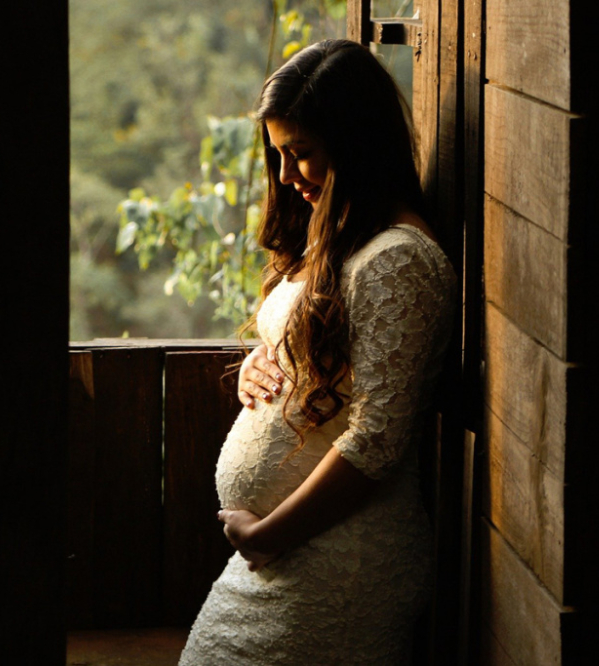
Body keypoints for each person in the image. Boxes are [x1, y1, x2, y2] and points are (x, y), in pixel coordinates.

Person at [178, 39, 456, 665]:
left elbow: (377, 439)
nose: (285, 176)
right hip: (286, 560)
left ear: (354, 142)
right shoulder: (349, 239)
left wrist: (266, 534)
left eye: (299, 154)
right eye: (278, 155)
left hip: (338, 563)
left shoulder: (400, 259)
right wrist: (269, 357)